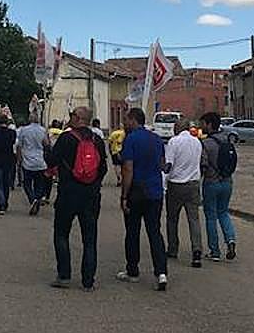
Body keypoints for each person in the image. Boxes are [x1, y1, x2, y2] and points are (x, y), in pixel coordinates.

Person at [49, 106, 108, 290]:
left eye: (72, 115)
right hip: (90, 196)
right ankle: (88, 280)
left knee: (61, 233)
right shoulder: (97, 140)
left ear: (78, 118)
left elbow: (51, 161)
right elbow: (103, 168)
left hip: (68, 193)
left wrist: (47, 147)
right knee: (89, 239)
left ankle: (64, 275)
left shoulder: (66, 138)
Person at [118, 108, 169, 290]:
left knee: (132, 231)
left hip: (136, 192)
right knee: (155, 232)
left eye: (126, 120)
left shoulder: (130, 139)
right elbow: (163, 165)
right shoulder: (156, 139)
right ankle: (161, 273)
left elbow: (128, 169)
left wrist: (124, 195)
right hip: (155, 192)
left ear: (133, 120)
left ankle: (132, 271)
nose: (124, 123)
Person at [164, 118, 205, 268]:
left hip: (176, 185)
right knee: (194, 219)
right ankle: (197, 251)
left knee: (172, 219)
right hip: (193, 184)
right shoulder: (197, 142)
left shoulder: (174, 142)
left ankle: (173, 248)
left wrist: (163, 177)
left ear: (178, 128)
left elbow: (168, 165)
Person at [200, 111, 238, 262]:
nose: (201, 126)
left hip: (211, 182)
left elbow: (202, 164)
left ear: (209, 125)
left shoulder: (206, 143)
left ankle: (214, 251)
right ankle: (230, 240)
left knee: (211, 217)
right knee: (223, 212)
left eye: (203, 123)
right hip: (227, 182)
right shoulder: (226, 140)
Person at [16, 113, 52, 216]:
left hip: (27, 161)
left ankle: (32, 199)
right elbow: (47, 144)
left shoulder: (24, 130)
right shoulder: (42, 130)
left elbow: (19, 146)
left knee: (27, 183)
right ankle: (37, 197)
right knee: (39, 183)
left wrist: (19, 158)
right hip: (40, 161)